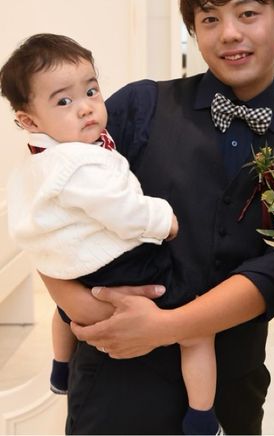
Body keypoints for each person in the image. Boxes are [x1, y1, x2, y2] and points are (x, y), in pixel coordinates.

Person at [37, 0, 274, 435]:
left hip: (231, 386)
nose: (229, 33)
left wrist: (166, 327)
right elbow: (51, 202)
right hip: (115, 377)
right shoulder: (140, 106)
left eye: (248, 14)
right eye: (209, 19)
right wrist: (81, 306)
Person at [0, 33, 224, 435]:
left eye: (91, 90)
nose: (86, 107)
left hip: (78, 269)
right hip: (123, 264)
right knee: (196, 328)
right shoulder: (81, 163)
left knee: (64, 311)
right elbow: (124, 213)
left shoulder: (41, 160)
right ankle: (202, 417)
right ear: (29, 121)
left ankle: (60, 369)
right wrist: (165, 220)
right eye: (64, 101)